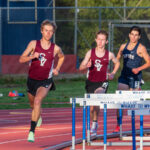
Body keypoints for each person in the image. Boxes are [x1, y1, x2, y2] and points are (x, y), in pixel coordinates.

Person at [19, 19, 65, 142]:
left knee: (38, 101)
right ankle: (38, 115)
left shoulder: (56, 48)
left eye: (51, 31)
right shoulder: (34, 44)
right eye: (46, 31)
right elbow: (21, 59)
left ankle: (31, 132)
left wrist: (57, 69)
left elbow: (62, 57)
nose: (48, 33)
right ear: (41, 31)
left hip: (46, 81)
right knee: (32, 105)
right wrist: (32, 56)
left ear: (53, 33)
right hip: (32, 80)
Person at [79, 30, 120, 134]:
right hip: (91, 81)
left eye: (103, 40)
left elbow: (117, 63)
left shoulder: (109, 54)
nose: (100, 42)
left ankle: (93, 124)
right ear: (96, 40)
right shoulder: (90, 52)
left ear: (106, 41)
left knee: (98, 96)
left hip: (103, 82)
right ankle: (95, 122)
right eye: (99, 39)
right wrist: (86, 66)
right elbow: (80, 67)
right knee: (92, 108)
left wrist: (113, 73)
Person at [114, 26, 150, 132]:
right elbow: (117, 58)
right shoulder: (123, 47)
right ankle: (118, 124)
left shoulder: (141, 48)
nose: (133, 37)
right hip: (124, 76)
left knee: (135, 103)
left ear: (139, 36)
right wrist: (113, 66)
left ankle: (142, 127)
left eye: (136, 35)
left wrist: (138, 68)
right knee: (118, 99)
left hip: (135, 78)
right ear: (129, 35)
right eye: (132, 34)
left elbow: (149, 62)